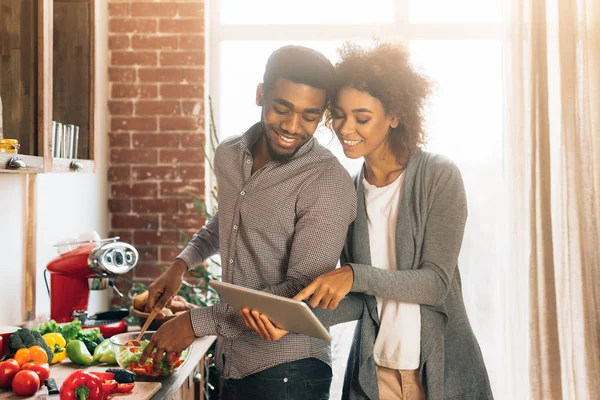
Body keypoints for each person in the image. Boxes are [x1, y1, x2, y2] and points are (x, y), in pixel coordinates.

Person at [242, 42, 494, 400]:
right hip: (375, 376)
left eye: (362, 118)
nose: (346, 128)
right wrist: (292, 320)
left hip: (440, 374)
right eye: (340, 115)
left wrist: (353, 274)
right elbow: (362, 301)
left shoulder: (438, 175)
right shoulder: (348, 193)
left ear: (393, 115)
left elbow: (435, 283)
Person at [138, 45, 357, 400]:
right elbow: (228, 219)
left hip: (290, 372)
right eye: (281, 108)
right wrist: (181, 264)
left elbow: (299, 293)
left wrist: (195, 323)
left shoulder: (327, 181)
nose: (292, 126)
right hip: (233, 361)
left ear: (323, 114)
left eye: (309, 116)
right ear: (261, 95)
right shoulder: (229, 153)